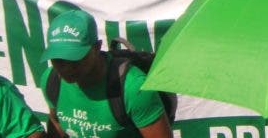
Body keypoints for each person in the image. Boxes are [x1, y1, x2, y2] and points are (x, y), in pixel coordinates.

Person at [39, 10, 173, 137]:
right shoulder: (51, 80)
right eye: (58, 59)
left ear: (97, 47)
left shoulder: (133, 88)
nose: (66, 67)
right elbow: (56, 122)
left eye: (75, 58)